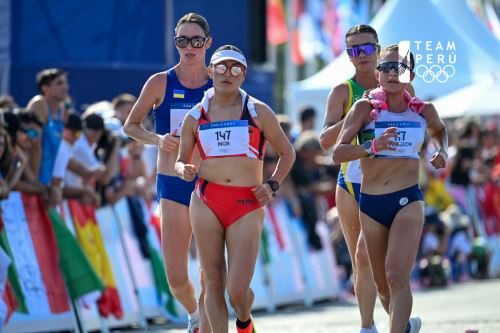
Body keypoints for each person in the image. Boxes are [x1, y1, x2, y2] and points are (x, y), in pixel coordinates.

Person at [175, 45, 295, 333]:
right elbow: (180, 161)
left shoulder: (258, 111)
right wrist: (183, 169)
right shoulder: (195, 115)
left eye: (235, 69)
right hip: (206, 199)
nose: (227, 74)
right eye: (221, 67)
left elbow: (287, 153)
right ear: (209, 71)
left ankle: (244, 321)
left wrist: (272, 184)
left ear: (243, 75)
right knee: (212, 280)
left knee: (237, 291)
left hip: (245, 202)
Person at [332, 44, 448, 333]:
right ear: (377, 72)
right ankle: (405, 326)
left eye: (399, 68)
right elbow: (338, 152)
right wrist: (371, 147)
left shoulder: (423, 110)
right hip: (370, 203)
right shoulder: (364, 108)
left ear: (411, 74)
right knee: (383, 287)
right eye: (385, 67)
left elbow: (441, 131)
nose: (391, 74)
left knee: (397, 276)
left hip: (407, 199)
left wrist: (441, 150)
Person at [123, 12, 212, 333]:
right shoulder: (160, 81)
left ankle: (208, 322)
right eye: (182, 40)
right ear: (176, 43)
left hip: (211, 182)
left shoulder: (221, 83)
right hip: (172, 183)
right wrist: (157, 139)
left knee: (209, 270)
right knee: (176, 278)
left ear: (208, 44)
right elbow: (130, 125)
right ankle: (195, 315)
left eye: (196, 41)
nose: (189, 47)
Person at [319, 24, 381, 333]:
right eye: (354, 50)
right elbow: (325, 141)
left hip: (390, 181)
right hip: (352, 183)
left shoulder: (398, 83)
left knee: (386, 263)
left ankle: (399, 318)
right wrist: (356, 113)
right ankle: (367, 326)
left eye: (366, 48)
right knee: (361, 260)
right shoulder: (343, 91)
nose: (361, 56)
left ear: (378, 49)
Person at [27, 68, 69, 186]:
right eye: (59, 83)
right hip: (34, 177)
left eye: (66, 83)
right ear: (45, 88)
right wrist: (36, 182)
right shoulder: (39, 104)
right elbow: (34, 144)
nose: (65, 87)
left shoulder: (62, 109)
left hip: (48, 179)